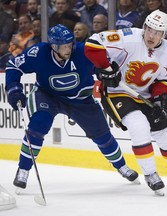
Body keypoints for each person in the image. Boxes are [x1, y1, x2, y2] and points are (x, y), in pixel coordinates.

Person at [84, 9, 167, 195]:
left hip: (145, 95)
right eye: (149, 30)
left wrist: (160, 99)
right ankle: (150, 173)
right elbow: (92, 43)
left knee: (164, 132)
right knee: (139, 126)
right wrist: (106, 67)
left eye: (157, 33)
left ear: (164, 35)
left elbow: (163, 80)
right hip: (118, 92)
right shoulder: (128, 37)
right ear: (144, 27)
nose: (151, 35)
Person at [5, 24, 139, 190]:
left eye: (70, 44)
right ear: (53, 46)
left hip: (81, 99)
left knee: (102, 135)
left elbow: (104, 63)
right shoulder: (38, 53)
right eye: (64, 46)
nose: (68, 48)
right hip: (48, 95)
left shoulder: (83, 51)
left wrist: (107, 72)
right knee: (38, 125)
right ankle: (23, 170)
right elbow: (13, 65)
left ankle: (122, 166)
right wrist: (13, 88)